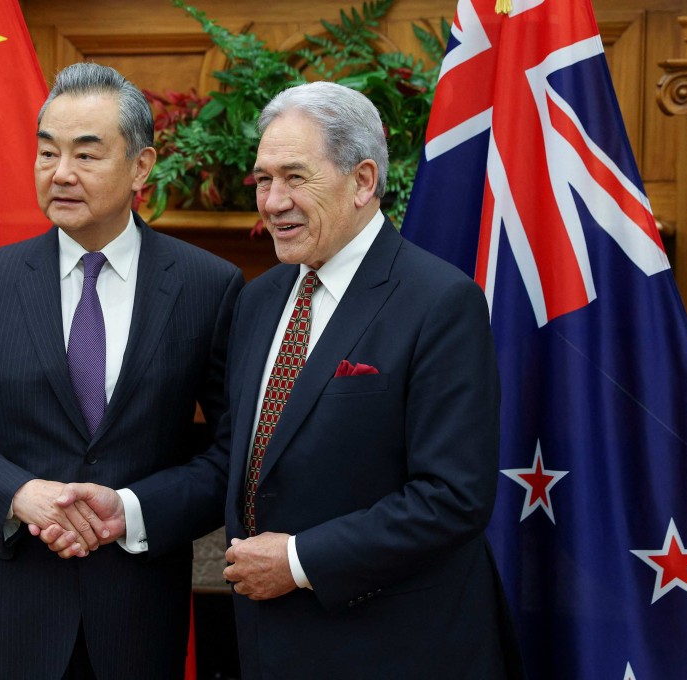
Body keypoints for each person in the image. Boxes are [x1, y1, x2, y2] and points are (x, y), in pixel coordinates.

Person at [43, 81, 525, 679]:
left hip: (397, 649)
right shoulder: (262, 298)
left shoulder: (439, 302)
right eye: (264, 180)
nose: (272, 202)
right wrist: (130, 510)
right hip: (273, 646)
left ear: (364, 181)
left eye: (295, 178)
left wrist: (298, 560)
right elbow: (238, 460)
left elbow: (452, 498)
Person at [0, 62, 243, 680]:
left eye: (87, 155)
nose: (60, 174)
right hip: (17, 616)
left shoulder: (206, 286)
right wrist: (20, 495)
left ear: (141, 167)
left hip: (140, 614)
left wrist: (132, 510)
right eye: (47, 153)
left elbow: (233, 450)